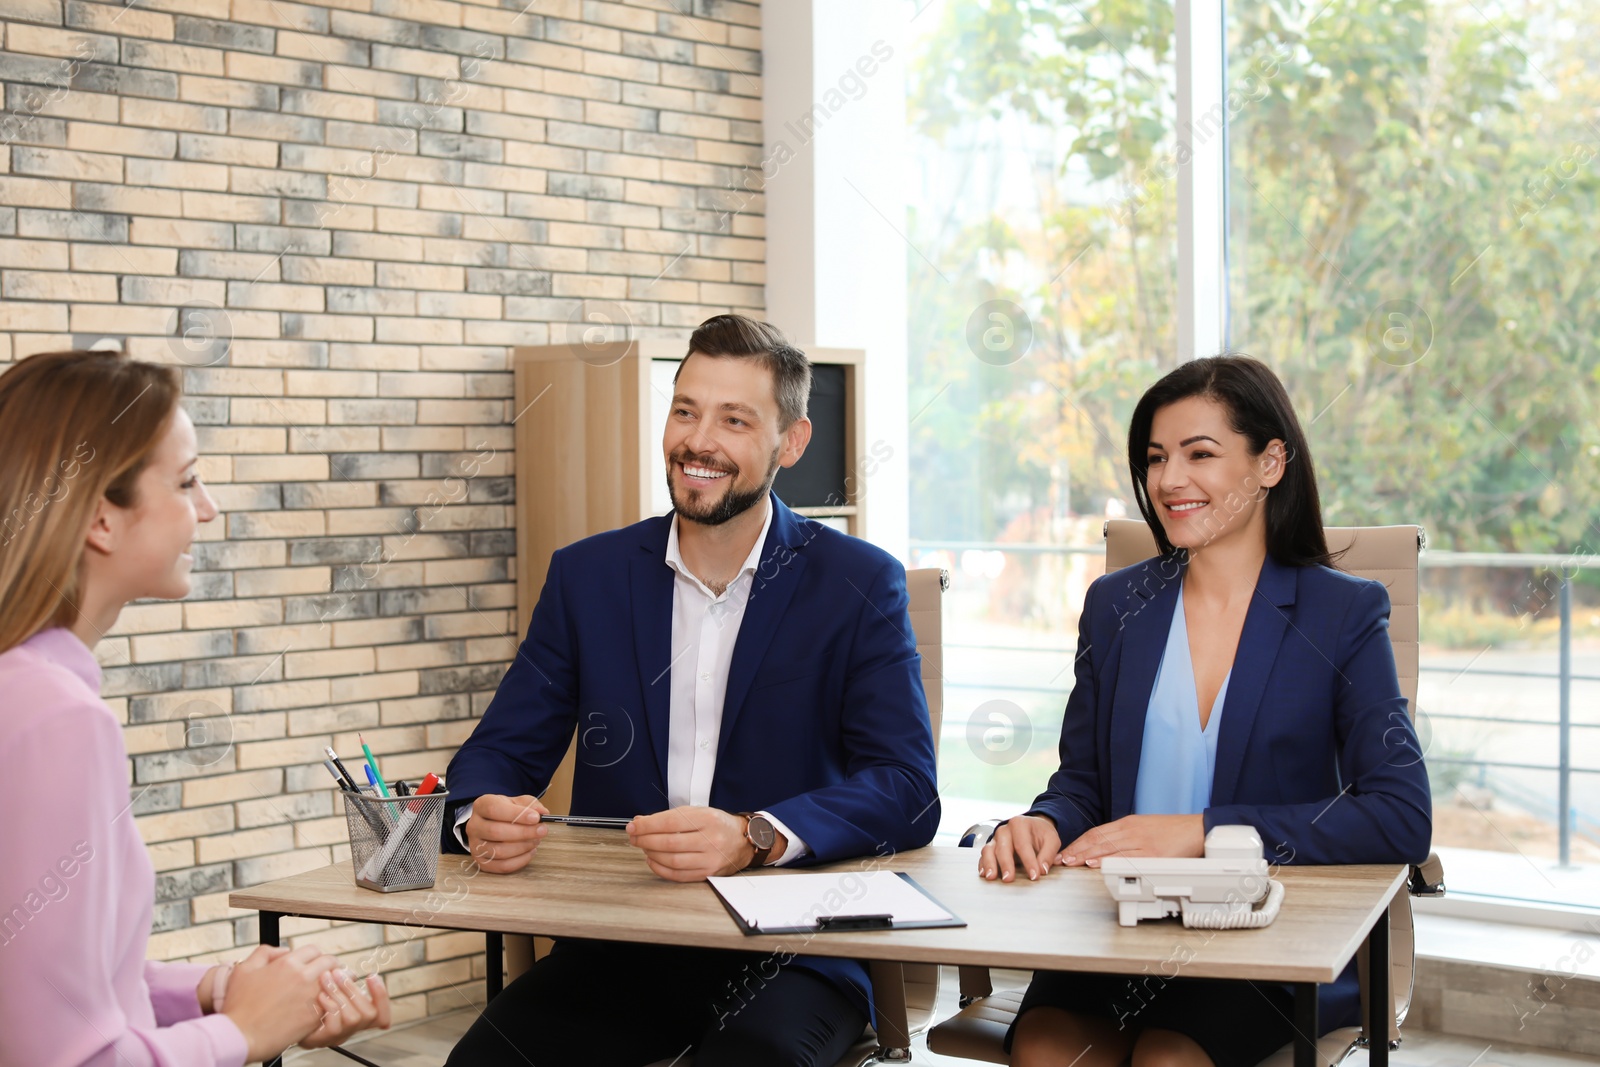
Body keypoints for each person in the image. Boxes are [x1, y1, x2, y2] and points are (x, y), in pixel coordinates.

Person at [441, 314, 940, 1067]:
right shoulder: (589, 577)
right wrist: (474, 814)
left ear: (790, 442)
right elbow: (493, 758)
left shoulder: (858, 583)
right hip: (625, 941)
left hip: (791, 952)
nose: (697, 440)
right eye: (685, 410)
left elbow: (907, 788)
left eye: (734, 419)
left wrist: (756, 833)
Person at [981, 355, 1432, 1067]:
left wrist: (1198, 831)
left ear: (1270, 462)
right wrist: (1045, 820)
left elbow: (1402, 814)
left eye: (1200, 453)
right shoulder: (1116, 605)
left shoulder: (1342, 612)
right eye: (1157, 457)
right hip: (1119, 926)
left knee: (1168, 1058)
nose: (1168, 479)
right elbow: (1083, 784)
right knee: (1046, 1047)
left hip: (1259, 937)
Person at [0, 350, 393, 1067]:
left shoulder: (26, 687)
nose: (207, 507)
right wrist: (242, 1032)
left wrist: (218, 991)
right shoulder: (58, 720)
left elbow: (41, 989)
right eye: (186, 482)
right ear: (99, 518)